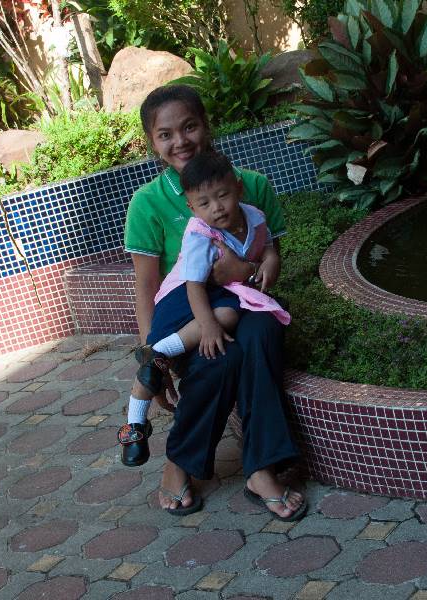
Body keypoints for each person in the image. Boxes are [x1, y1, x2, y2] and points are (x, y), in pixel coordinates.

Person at [117, 84, 307, 521]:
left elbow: (268, 256)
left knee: (261, 333)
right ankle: (179, 461)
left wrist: (244, 270)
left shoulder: (250, 185)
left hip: (244, 300)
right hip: (187, 310)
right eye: (165, 134)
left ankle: (261, 468)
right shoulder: (147, 203)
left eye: (189, 127)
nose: (180, 141)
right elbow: (146, 287)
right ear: (152, 143)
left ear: (207, 126)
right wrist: (152, 354)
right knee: (217, 357)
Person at [117, 151, 291, 456]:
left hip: (221, 292)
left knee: (230, 315)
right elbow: (194, 286)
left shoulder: (254, 216)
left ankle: (158, 354)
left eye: (223, 196)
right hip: (180, 297)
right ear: (192, 208)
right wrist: (208, 326)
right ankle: (135, 424)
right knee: (159, 364)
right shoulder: (200, 233)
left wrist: (270, 258)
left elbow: (264, 248)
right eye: (205, 203)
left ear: (238, 188)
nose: (217, 208)